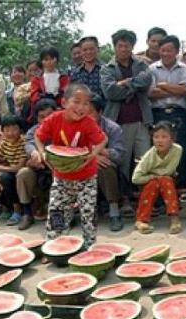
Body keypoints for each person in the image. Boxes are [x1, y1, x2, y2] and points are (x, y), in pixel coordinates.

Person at [34, 83, 107, 249]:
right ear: (64, 102)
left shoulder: (88, 123)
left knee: (88, 214)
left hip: (87, 177)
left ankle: (90, 247)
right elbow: (38, 136)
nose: (81, 107)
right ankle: (54, 245)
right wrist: (42, 152)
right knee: (57, 211)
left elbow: (103, 140)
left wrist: (93, 154)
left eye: (86, 104)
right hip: (61, 177)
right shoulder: (54, 119)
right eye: (77, 102)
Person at [100, 29, 153, 215]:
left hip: (141, 120)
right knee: (122, 163)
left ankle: (146, 200)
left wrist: (124, 83)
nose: (124, 49)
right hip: (118, 123)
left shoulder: (141, 64)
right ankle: (125, 199)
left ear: (132, 47)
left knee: (145, 161)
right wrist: (134, 86)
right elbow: (110, 92)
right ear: (115, 47)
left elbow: (146, 80)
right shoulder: (107, 68)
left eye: (127, 46)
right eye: (120, 46)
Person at [148, 35, 186, 190]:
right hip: (158, 113)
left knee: (179, 150)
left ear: (177, 51)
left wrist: (163, 85)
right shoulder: (152, 69)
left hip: (178, 114)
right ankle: (160, 186)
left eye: (169, 50)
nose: (166, 53)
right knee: (160, 150)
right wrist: (174, 89)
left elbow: (185, 90)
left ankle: (179, 187)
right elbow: (151, 93)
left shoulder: (185, 69)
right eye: (163, 50)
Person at [132, 121, 182, 234]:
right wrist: (152, 176)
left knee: (166, 180)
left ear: (172, 139)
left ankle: (174, 217)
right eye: (156, 137)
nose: (160, 140)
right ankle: (141, 220)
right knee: (153, 184)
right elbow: (135, 178)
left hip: (169, 179)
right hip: (150, 180)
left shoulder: (177, 149)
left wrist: (158, 176)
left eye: (164, 137)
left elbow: (169, 170)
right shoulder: (149, 156)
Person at [17, 99, 58, 230]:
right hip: (39, 168)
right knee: (23, 173)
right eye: (42, 116)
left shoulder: (64, 128)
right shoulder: (33, 131)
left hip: (59, 168)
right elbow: (29, 144)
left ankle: (62, 213)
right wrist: (34, 153)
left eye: (49, 115)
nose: (46, 119)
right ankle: (27, 213)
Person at [89, 94, 125, 232]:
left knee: (105, 166)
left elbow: (119, 156)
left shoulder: (112, 128)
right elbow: (71, 149)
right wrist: (92, 156)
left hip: (106, 167)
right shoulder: (75, 126)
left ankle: (114, 212)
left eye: (90, 112)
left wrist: (102, 151)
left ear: (100, 112)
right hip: (82, 163)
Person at [0, 114, 27, 226]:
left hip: (23, 172)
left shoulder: (23, 142)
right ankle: (10, 209)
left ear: (20, 130)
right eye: (7, 130)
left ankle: (17, 211)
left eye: (14, 130)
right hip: (10, 171)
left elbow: (19, 167)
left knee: (6, 177)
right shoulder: (4, 143)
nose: (10, 133)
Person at [30, 47, 70, 113]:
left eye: (52, 59)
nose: (49, 62)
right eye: (46, 59)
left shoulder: (64, 77)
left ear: (56, 60)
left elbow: (66, 93)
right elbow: (34, 96)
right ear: (42, 61)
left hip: (60, 109)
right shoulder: (37, 79)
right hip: (42, 109)